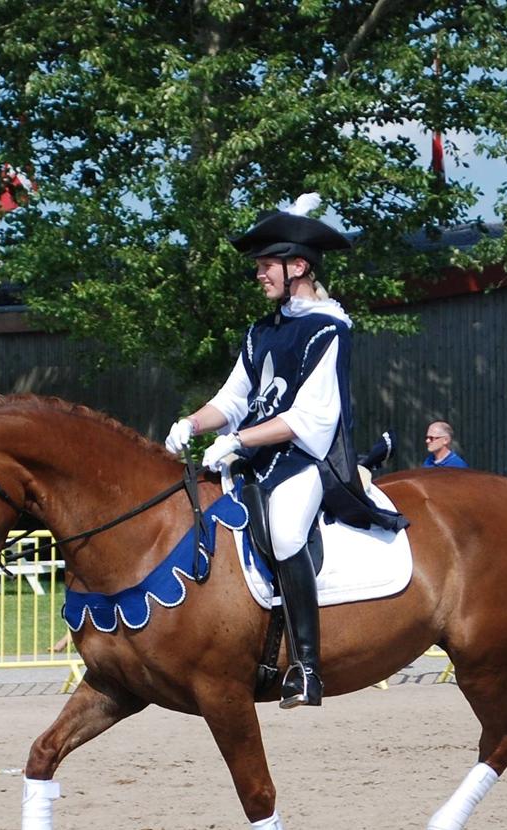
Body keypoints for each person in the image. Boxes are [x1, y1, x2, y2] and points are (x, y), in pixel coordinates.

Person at [165, 193, 405, 709]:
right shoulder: (262, 332)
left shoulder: (328, 329)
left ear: (298, 266)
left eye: (266, 265)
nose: (258, 274)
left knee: (285, 528)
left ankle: (307, 668)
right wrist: (192, 421)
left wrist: (238, 439)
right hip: (253, 457)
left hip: (307, 459)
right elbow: (231, 401)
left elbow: (312, 419)